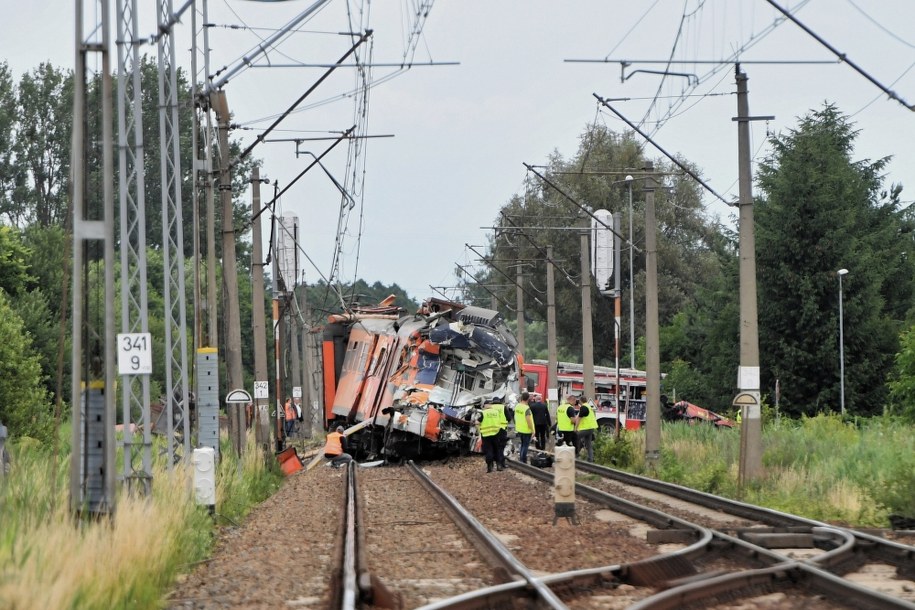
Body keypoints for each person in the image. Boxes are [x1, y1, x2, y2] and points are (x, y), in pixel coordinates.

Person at [479, 398, 507, 473]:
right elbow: (500, 420)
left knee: (488, 450)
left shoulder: (483, 413)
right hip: (496, 433)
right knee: (497, 449)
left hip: (486, 434)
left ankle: (490, 467)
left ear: (485, 405)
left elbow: (478, 422)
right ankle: (499, 466)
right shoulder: (496, 412)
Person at [513, 392, 535, 464]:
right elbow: (529, 421)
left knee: (522, 444)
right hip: (526, 430)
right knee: (525, 445)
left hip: (519, 428)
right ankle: (523, 460)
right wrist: (532, 430)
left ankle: (521, 458)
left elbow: (515, 417)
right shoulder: (526, 408)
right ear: (528, 399)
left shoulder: (517, 406)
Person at [577, 396, 599, 462]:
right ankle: (590, 459)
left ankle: (576, 455)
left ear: (580, 401)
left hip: (585, 428)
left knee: (575, 438)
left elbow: (579, 419)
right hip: (591, 428)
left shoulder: (583, 407)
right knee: (588, 444)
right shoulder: (589, 406)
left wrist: (575, 428)